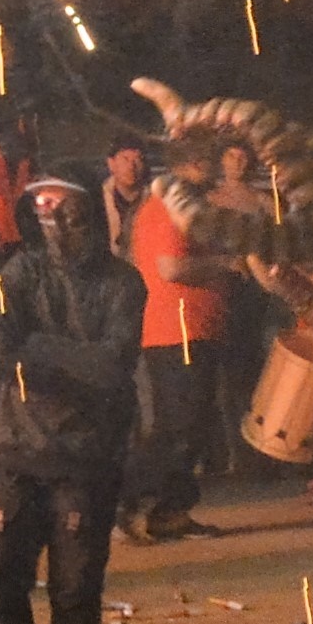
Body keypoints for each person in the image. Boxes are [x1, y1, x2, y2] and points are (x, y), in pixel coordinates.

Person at [0, 173, 143, 624]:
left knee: (75, 589)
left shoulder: (122, 282)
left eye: (69, 212)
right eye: (45, 211)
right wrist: (72, 357)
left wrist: (41, 348)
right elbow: (0, 357)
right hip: (15, 448)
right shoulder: (18, 275)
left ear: (91, 215)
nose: (58, 224)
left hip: (87, 457)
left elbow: (114, 365)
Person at [124, 149, 233, 541]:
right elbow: (170, 267)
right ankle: (128, 503)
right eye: (211, 157)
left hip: (189, 328)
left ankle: (169, 511)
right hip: (177, 329)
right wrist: (225, 265)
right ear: (192, 161)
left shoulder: (179, 206)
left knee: (189, 424)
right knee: (178, 426)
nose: (217, 167)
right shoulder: (169, 206)